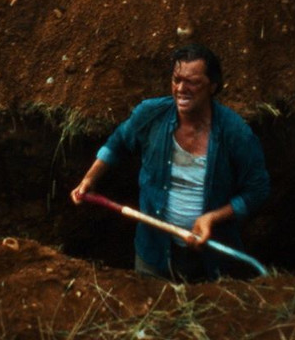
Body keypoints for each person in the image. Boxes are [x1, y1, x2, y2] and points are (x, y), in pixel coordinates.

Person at [70, 44, 270, 281]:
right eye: (177, 80)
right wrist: (90, 179)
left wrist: (212, 218)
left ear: (213, 86)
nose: (181, 89)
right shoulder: (151, 115)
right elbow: (119, 142)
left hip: (211, 261)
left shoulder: (235, 133)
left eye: (192, 82)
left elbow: (258, 190)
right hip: (154, 254)